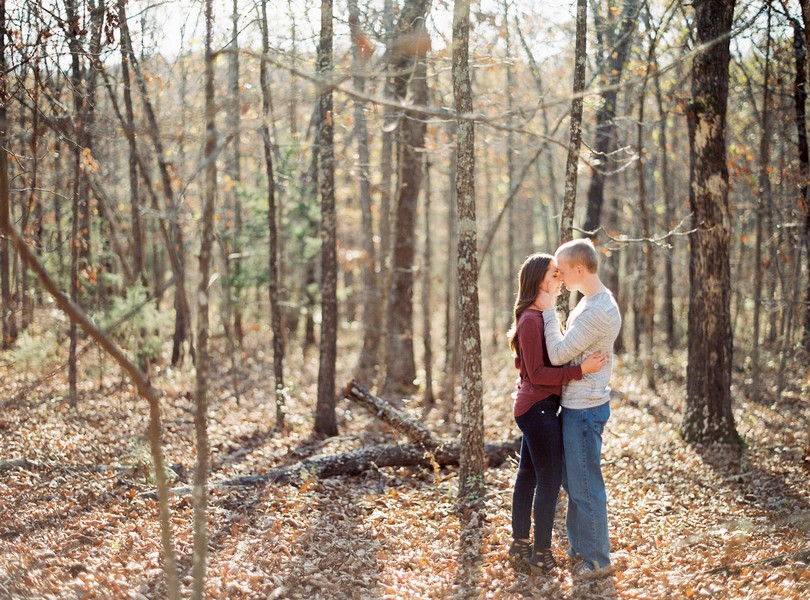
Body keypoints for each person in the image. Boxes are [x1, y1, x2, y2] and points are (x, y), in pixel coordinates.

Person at [507, 253, 607, 574]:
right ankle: (541, 554)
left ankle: (520, 545)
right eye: (555, 274)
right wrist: (581, 370)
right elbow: (537, 373)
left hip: (535, 406)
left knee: (529, 475)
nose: (560, 279)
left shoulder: (537, 316)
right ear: (539, 280)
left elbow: (531, 368)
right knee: (548, 479)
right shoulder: (532, 320)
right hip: (538, 410)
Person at [535, 238, 621, 579]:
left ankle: (598, 559)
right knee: (574, 484)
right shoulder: (590, 302)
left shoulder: (597, 310)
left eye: (562, 271)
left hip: (585, 409)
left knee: (585, 486)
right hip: (577, 405)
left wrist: (546, 311)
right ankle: (579, 548)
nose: (559, 278)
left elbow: (558, 355)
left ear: (580, 269)